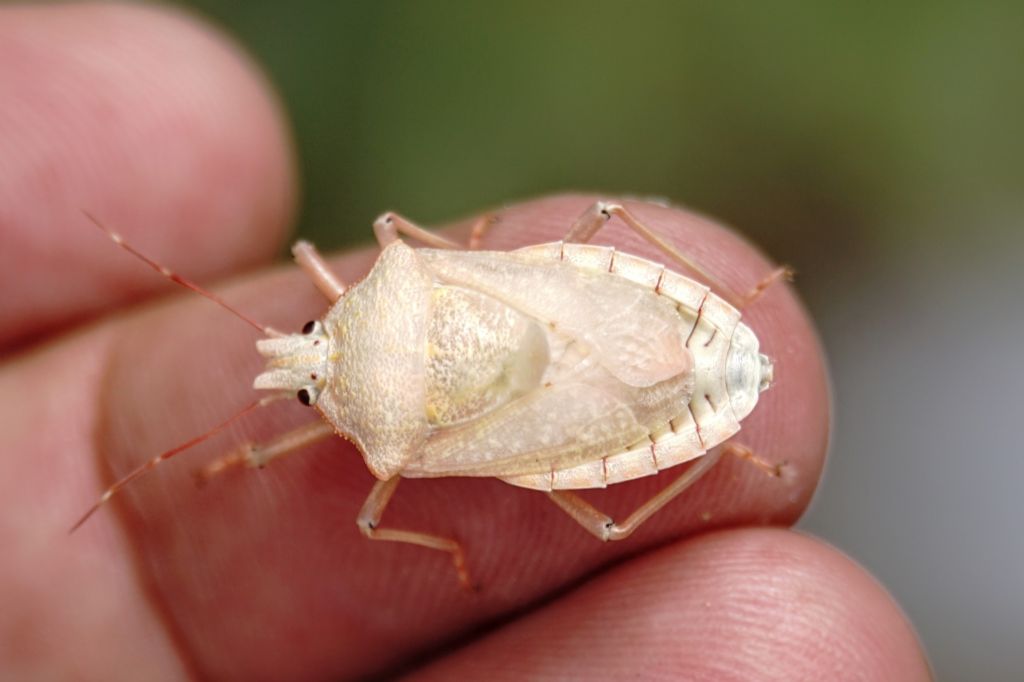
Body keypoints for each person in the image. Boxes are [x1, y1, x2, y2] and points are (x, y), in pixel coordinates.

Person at [0, 4, 930, 680]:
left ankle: (733, 430)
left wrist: (254, 464)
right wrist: (459, 254)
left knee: (599, 517)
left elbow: (362, 498)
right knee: (600, 222)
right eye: (302, 378)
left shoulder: (387, 457)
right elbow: (393, 228)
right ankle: (741, 331)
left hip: (607, 405)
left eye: (313, 337)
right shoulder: (398, 277)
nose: (296, 353)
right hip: (597, 319)